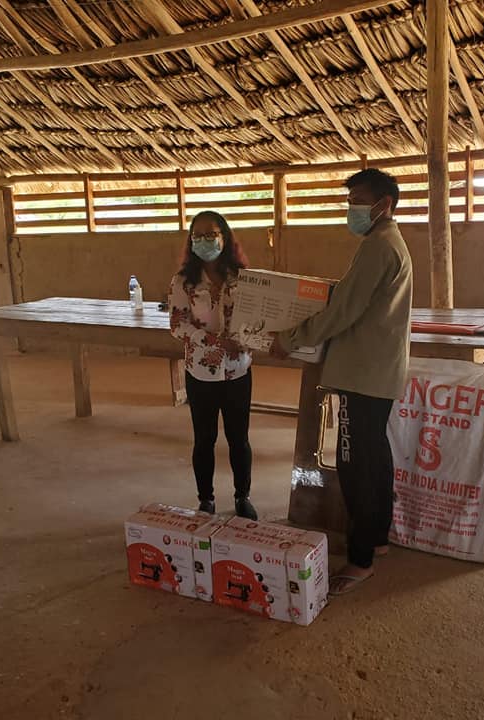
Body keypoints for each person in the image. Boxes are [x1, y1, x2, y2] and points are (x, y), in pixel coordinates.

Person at [270, 168, 413, 595]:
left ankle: (360, 558)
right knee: (375, 456)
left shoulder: (378, 248)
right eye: (349, 201)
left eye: (358, 201)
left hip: (363, 374)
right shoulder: (389, 244)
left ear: (384, 204)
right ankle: (378, 539)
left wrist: (292, 339)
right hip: (378, 371)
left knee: (354, 465)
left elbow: (342, 312)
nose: (352, 209)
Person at [169, 211, 258, 520]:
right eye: (199, 236)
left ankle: (242, 496)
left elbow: (258, 319)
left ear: (225, 237)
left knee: (239, 439)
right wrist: (214, 342)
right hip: (200, 373)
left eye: (212, 234)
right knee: (204, 440)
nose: (206, 241)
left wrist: (252, 338)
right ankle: (206, 500)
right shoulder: (184, 282)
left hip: (238, 371)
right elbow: (178, 324)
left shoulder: (244, 277)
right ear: (191, 241)